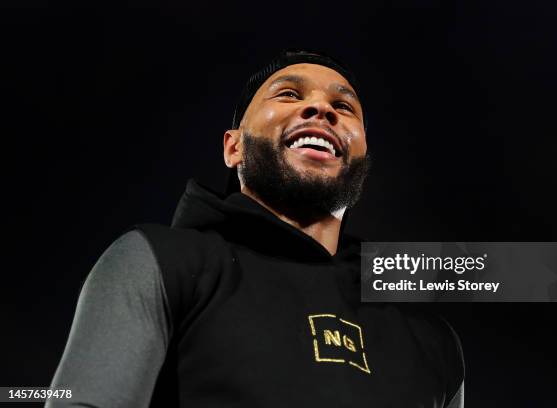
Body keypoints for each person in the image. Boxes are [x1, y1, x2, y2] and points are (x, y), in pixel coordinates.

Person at [47, 49, 464, 407]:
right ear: (234, 147)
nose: (322, 109)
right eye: (289, 94)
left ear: (360, 157)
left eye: (345, 107)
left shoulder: (431, 341)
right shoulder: (158, 262)